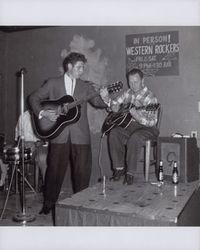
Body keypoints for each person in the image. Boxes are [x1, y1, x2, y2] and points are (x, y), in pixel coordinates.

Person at [28, 52, 107, 215]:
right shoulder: (52, 83)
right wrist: (43, 113)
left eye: (83, 67)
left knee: (82, 173)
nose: (82, 70)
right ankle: (48, 204)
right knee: (53, 172)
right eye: (79, 67)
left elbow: (98, 102)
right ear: (69, 67)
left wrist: (106, 98)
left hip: (81, 135)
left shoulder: (85, 86)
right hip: (59, 135)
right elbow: (33, 98)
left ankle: (81, 206)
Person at [101, 68, 159, 185]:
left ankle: (130, 173)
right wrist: (110, 103)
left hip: (148, 128)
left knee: (135, 137)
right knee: (114, 133)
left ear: (143, 81)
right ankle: (119, 169)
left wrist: (137, 116)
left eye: (136, 82)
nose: (133, 85)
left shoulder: (150, 97)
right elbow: (115, 104)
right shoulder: (128, 93)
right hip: (131, 127)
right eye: (130, 82)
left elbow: (152, 122)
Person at [15, 110, 48, 187]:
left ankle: (47, 185)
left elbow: (48, 137)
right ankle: (22, 182)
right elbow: (18, 136)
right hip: (27, 145)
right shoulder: (23, 116)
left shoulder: (46, 114)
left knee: (43, 157)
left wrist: (38, 143)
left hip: (41, 145)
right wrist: (24, 143)